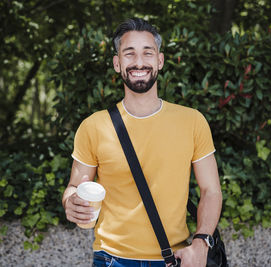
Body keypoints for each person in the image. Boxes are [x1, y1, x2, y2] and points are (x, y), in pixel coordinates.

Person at [62, 18, 222, 267]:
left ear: (160, 60)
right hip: (110, 259)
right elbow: (74, 186)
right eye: (129, 54)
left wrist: (201, 243)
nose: (138, 62)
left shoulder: (192, 122)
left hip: (173, 259)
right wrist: (70, 201)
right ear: (117, 63)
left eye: (147, 53)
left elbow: (211, 191)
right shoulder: (93, 126)